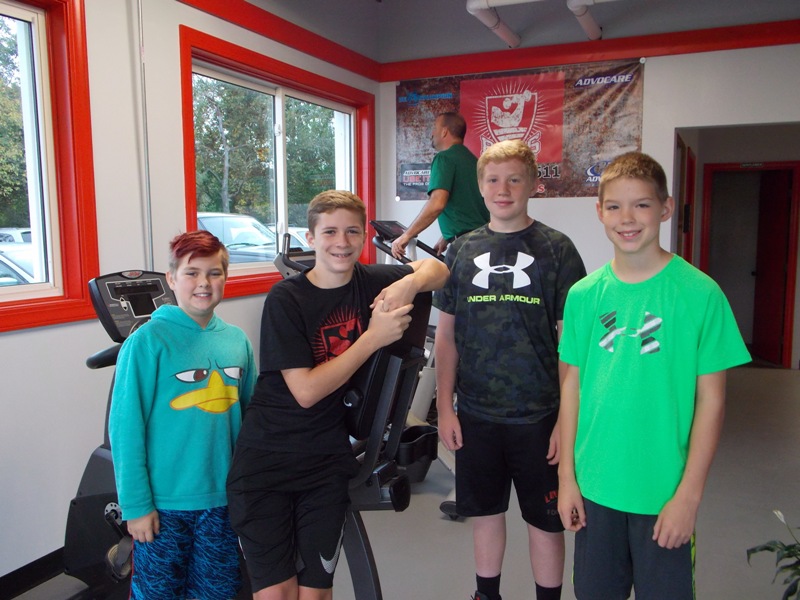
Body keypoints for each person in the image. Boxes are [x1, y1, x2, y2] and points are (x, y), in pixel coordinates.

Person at [226, 190, 449, 600]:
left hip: (325, 460)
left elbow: (439, 269)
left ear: (363, 236)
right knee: (277, 595)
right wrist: (373, 338)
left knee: (315, 594)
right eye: (329, 232)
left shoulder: (370, 281)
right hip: (268, 460)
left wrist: (409, 283)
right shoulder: (286, 300)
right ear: (310, 238)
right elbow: (306, 391)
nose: (341, 242)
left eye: (352, 232)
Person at [557, 151, 751, 599]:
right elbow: (572, 387)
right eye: (614, 206)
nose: (627, 218)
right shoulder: (584, 295)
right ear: (600, 212)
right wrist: (567, 478)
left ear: (665, 208)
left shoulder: (701, 294)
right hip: (595, 489)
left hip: (664, 495)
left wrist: (688, 497)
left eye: (641, 204)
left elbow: (712, 402)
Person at [435, 139, 586, 600]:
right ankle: (487, 594)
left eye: (515, 179)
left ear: (533, 184)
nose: (503, 189)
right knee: (485, 514)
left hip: (540, 416)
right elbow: (446, 338)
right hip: (477, 413)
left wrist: (565, 421)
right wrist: (445, 407)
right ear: (480, 186)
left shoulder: (557, 250)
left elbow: (572, 347)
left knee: (545, 522)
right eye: (493, 180)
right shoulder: (460, 251)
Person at [108, 230, 257, 599]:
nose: (203, 283)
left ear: (225, 277)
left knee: (217, 592)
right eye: (192, 273)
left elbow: (252, 421)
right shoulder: (147, 342)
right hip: (164, 506)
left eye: (214, 273)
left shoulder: (237, 341)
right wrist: (136, 506)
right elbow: (126, 431)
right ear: (171, 279)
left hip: (223, 502)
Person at [391, 111, 489, 259]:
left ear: (444, 132)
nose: (432, 133)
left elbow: (437, 204)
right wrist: (447, 236)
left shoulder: (444, 158)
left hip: (467, 245)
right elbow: (469, 206)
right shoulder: (473, 161)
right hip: (483, 240)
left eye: (434, 128)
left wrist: (406, 235)